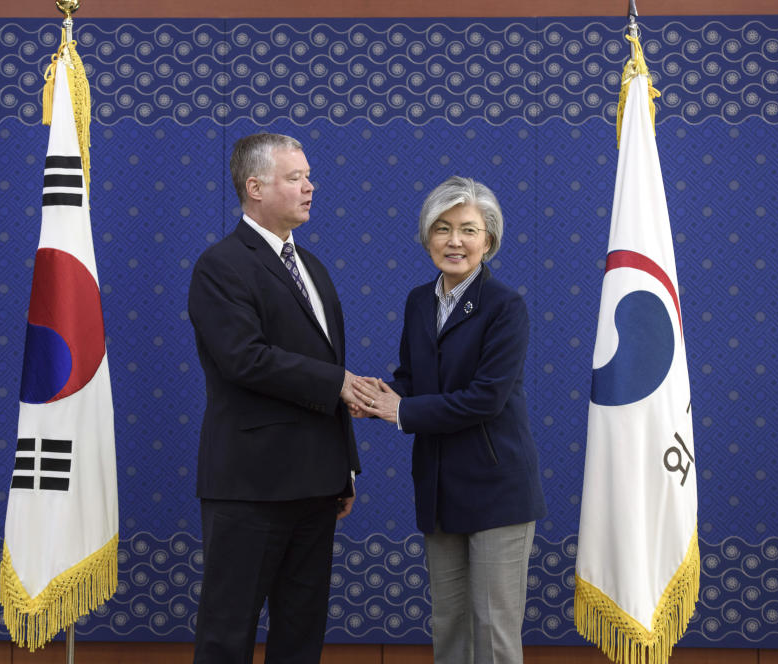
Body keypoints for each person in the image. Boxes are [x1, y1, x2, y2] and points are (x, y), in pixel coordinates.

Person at [352, 176, 547, 664]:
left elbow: (485, 399)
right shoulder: (420, 301)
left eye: (468, 229)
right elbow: (413, 381)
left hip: (496, 491)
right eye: (442, 228)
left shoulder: (506, 307)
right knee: (449, 631)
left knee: (494, 635)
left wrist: (403, 409)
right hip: (439, 489)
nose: (454, 241)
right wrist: (376, 397)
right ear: (426, 236)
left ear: (489, 240)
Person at [187, 133, 365, 664]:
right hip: (250, 488)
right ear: (255, 187)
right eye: (295, 178)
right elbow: (244, 358)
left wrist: (346, 467)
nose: (310, 187)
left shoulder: (313, 267)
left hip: (316, 486)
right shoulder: (219, 266)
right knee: (227, 632)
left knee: (301, 635)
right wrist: (337, 383)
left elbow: (328, 368)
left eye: (308, 176)